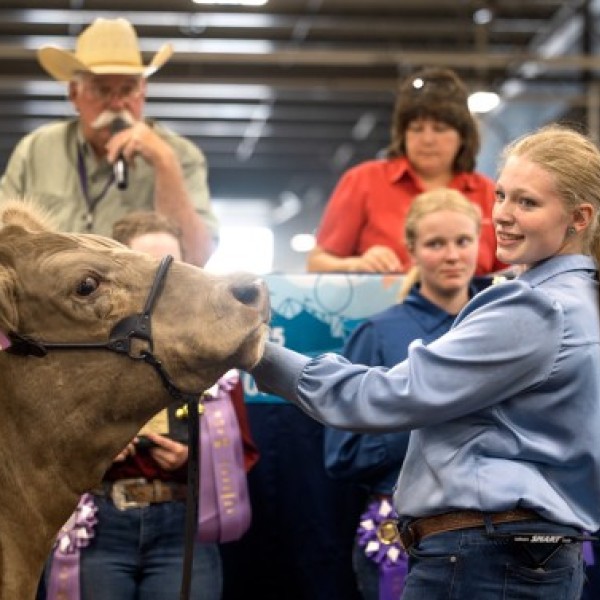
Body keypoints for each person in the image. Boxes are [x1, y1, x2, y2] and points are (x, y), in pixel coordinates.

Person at [249, 123, 600, 600]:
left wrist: (254, 351)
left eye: (528, 203)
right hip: (519, 557)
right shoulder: (579, 302)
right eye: (501, 196)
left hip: (486, 560)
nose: (504, 215)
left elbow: (382, 396)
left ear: (580, 218)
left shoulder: (535, 309)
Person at [42, 211, 259, 600]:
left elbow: (240, 453)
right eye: (151, 265)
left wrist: (195, 458)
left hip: (182, 523)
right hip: (99, 523)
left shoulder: (213, 356)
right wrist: (94, 454)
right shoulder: (78, 352)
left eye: (173, 265)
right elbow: (42, 450)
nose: (163, 277)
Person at [324, 188, 489, 599]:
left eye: (463, 241)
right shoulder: (377, 335)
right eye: (436, 244)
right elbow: (341, 452)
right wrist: (428, 424)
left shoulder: (506, 326)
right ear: (412, 249)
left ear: (479, 243)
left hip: (496, 536)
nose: (452, 255)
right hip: (405, 535)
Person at [0, 17, 217, 267]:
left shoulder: (181, 155)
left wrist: (165, 164)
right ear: (73, 92)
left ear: (143, 91)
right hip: (48, 301)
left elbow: (197, 258)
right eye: (102, 90)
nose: (116, 104)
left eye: (127, 89)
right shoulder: (35, 150)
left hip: (140, 303)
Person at [306, 67, 504, 276]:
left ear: (463, 136)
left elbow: (512, 273)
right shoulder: (363, 181)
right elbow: (316, 263)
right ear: (402, 134)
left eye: (440, 129)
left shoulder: (489, 194)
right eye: (416, 128)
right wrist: (357, 265)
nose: (427, 140)